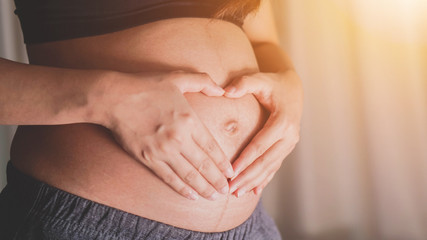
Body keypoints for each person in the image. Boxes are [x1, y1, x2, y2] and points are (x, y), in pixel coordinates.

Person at [0, 0, 303, 239]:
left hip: (250, 227)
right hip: (89, 223)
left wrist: (290, 85)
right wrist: (108, 99)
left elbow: (264, 42)